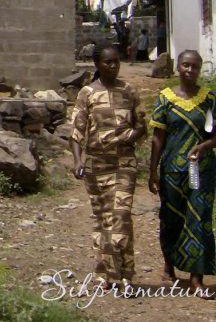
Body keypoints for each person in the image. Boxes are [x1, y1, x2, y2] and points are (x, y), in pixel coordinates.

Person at [148, 50, 216, 298]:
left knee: (200, 220)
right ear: (178, 68)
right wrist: (153, 171)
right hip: (172, 170)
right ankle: (170, 267)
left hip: (202, 171)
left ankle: (196, 279)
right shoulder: (164, 99)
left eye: (195, 66)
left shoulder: (209, 98)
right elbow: (158, 138)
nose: (190, 70)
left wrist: (205, 146)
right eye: (185, 65)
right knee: (171, 219)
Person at [70, 43, 146, 288]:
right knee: (103, 218)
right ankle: (105, 273)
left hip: (124, 163)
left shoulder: (129, 91)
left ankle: (125, 276)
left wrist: (130, 137)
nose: (113, 66)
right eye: (107, 62)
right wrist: (78, 161)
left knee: (121, 216)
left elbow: (142, 125)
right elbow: (76, 132)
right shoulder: (87, 93)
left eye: (116, 61)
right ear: (97, 64)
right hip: (96, 166)